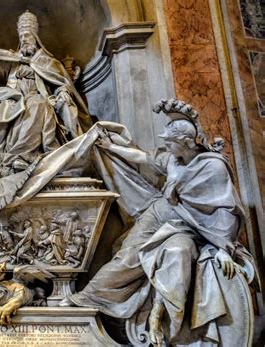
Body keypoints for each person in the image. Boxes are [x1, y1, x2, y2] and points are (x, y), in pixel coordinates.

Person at [59, 99, 248, 345]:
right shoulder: (172, 159)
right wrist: (111, 147)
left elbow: (225, 210)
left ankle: (165, 322)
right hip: (158, 214)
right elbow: (143, 158)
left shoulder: (212, 167)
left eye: (170, 142)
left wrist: (224, 248)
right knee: (127, 257)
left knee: (174, 255)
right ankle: (87, 298)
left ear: (186, 143)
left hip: (187, 228)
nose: (166, 146)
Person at [0, 11, 91, 173]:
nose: (24, 39)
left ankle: (22, 156)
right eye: (21, 36)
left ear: (36, 39)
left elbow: (60, 83)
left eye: (27, 36)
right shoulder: (13, 62)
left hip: (40, 100)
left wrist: (63, 91)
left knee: (36, 103)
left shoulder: (48, 62)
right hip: (13, 101)